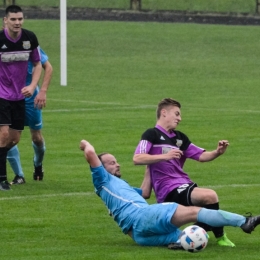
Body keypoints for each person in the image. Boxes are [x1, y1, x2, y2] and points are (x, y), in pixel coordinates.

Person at [80, 139, 260, 248]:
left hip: (139, 236)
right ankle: (244, 222)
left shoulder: (118, 185)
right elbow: (89, 151)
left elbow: (144, 193)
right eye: (111, 163)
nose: (117, 164)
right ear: (101, 167)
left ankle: (184, 246)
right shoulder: (102, 179)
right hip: (143, 217)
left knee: (187, 237)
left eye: (116, 161)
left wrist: (151, 165)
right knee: (194, 212)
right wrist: (84, 144)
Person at [133, 98, 235, 247]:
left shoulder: (180, 138)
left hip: (183, 183)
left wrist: (217, 152)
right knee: (209, 195)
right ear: (164, 113)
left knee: (209, 200)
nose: (180, 118)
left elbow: (201, 156)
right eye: (177, 114)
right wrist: (164, 156)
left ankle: (207, 237)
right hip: (167, 188)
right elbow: (137, 158)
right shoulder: (151, 134)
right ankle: (208, 236)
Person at [0, 5, 42, 190]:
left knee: (14, 139)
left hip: (20, 97)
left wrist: (32, 86)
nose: (17, 22)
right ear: (5, 20)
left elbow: (38, 64)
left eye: (20, 19)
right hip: (1, 95)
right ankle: (2, 180)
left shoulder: (29, 38)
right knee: (3, 135)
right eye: (13, 19)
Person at [7, 48, 53, 184]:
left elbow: (48, 67)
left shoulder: (29, 44)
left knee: (37, 138)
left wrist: (43, 91)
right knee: (10, 138)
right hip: (9, 98)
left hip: (30, 98)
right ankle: (19, 175)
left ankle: (38, 165)